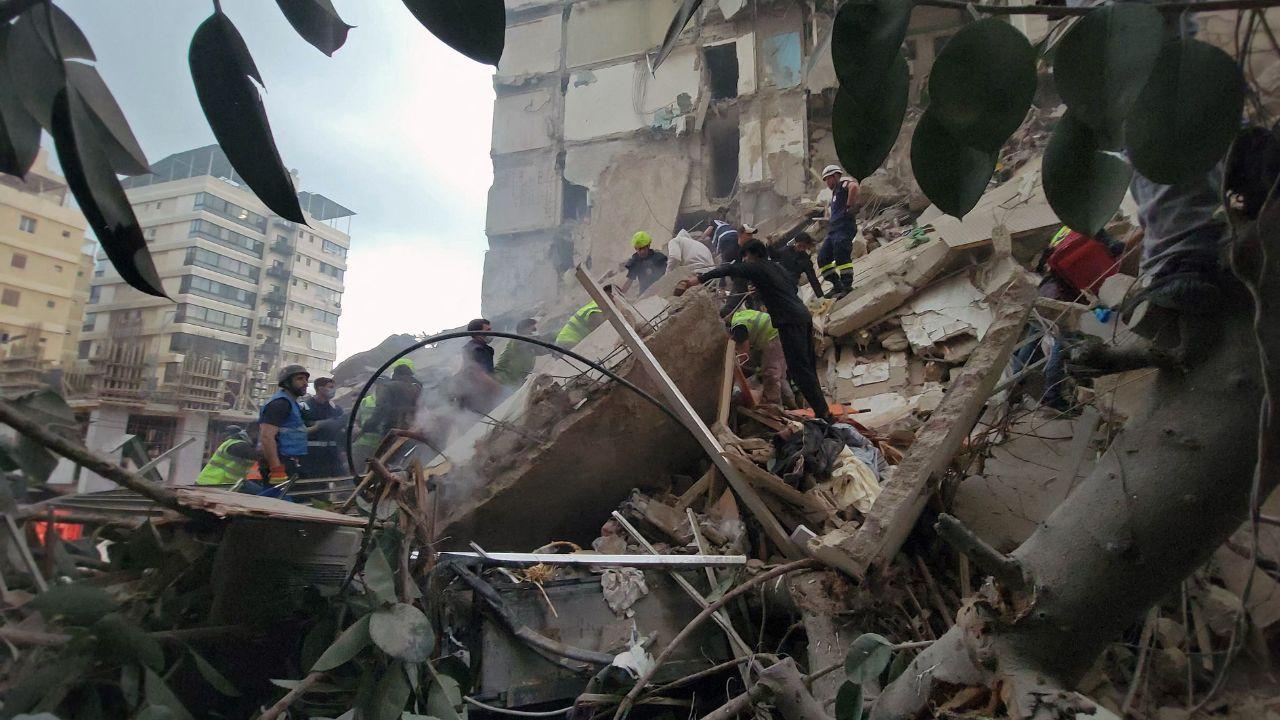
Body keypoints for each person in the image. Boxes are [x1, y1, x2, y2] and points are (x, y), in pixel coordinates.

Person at [687, 240, 832, 421]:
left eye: (745, 256)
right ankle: (822, 410)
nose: (744, 260)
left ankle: (823, 414)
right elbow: (793, 287)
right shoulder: (776, 267)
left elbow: (728, 269)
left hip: (788, 321)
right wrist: (764, 288)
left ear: (752, 254)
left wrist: (698, 279)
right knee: (808, 366)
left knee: (798, 369)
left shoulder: (755, 266)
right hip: (803, 316)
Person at [258, 364, 310, 483]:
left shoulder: (293, 404)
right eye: (300, 379)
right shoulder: (280, 404)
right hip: (280, 463)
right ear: (286, 383)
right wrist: (276, 469)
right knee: (278, 495)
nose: (305, 383)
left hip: (290, 461)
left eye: (306, 379)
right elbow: (267, 437)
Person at [728, 309, 788, 406]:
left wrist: (732, 370)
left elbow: (744, 354)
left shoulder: (737, 327)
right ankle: (789, 403)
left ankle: (772, 404)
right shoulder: (740, 317)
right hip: (779, 332)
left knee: (771, 372)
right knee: (779, 375)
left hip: (773, 336)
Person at [820, 165, 859, 295]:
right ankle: (837, 285)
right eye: (825, 180)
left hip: (844, 227)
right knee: (823, 258)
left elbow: (854, 187)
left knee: (841, 254)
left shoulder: (843, 184)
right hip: (834, 230)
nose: (827, 182)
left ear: (836, 175)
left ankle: (846, 286)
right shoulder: (835, 193)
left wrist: (848, 206)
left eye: (828, 178)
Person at [454, 318, 503, 416]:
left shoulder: (471, 347)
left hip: (472, 395)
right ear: (477, 334)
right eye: (488, 330)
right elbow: (477, 372)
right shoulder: (477, 349)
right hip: (475, 397)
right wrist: (497, 388)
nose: (491, 332)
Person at [299, 376, 346, 478]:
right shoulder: (305, 407)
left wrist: (343, 450)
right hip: (311, 455)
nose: (334, 390)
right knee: (314, 484)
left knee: (343, 482)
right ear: (320, 388)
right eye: (330, 387)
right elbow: (297, 432)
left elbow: (342, 431)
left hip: (333, 454)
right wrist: (319, 426)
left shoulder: (336, 409)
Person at [770, 232, 825, 298]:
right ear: (795, 243)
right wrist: (769, 244)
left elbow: (813, 279)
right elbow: (774, 255)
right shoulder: (786, 251)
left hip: (793, 285)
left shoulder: (805, 260)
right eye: (799, 246)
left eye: (804, 247)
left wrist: (821, 297)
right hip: (779, 282)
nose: (801, 249)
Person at [495, 318, 540, 388]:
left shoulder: (530, 346)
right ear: (524, 329)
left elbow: (541, 349)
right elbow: (531, 342)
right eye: (533, 329)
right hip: (503, 379)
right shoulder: (517, 340)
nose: (535, 331)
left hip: (514, 381)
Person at [620, 231, 668, 295]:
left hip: (661, 292)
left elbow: (668, 274)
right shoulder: (635, 262)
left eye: (644, 248)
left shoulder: (659, 258)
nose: (642, 251)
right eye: (639, 249)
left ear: (648, 246)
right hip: (644, 295)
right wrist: (621, 294)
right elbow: (629, 281)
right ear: (635, 248)